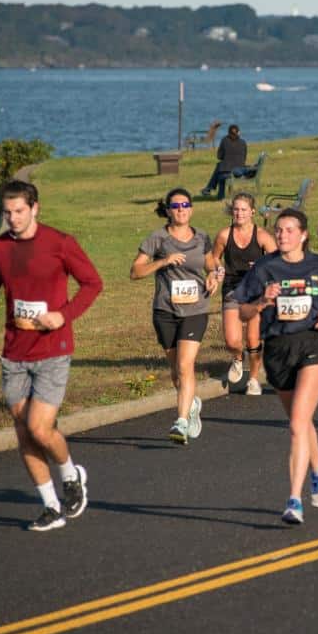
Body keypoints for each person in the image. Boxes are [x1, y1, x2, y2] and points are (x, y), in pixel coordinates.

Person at [0, 180, 103, 531]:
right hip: (15, 351)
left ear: (35, 208)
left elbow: (93, 283)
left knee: (39, 427)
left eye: (19, 211)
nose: (13, 218)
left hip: (53, 348)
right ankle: (50, 506)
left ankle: (70, 476)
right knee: (24, 431)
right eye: (7, 212)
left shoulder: (59, 243)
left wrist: (63, 314)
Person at [234, 209, 318, 525]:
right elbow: (243, 312)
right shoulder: (264, 268)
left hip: (315, 345)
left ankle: (293, 501)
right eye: (279, 230)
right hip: (278, 350)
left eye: (289, 230)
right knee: (301, 422)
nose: (282, 235)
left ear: (303, 235)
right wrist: (262, 302)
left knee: (297, 423)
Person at [131, 188, 218, 444]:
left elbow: (211, 262)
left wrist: (214, 274)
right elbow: (135, 271)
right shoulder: (157, 239)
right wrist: (163, 262)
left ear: (191, 208)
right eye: (176, 206)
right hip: (165, 311)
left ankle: (180, 421)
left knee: (184, 365)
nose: (181, 210)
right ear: (168, 211)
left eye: (185, 205)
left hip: (196, 309)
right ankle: (191, 404)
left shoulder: (202, 236)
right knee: (175, 370)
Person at [211, 192, 277, 395]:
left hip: (256, 292)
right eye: (236, 209)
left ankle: (254, 379)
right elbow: (214, 258)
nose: (239, 213)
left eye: (243, 210)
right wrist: (217, 269)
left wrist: (260, 267)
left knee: (253, 339)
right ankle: (238, 358)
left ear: (252, 212)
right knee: (232, 341)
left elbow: (278, 263)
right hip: (232, 288)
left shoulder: (262, 236)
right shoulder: (224, 235)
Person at [200, 123, 247, 200]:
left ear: (228, 133)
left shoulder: (225, 140)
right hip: (240, 170)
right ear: (239, 132)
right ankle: (210, 189)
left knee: (220, 170)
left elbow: (219, 156)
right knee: (220, 168)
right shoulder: (243, 142)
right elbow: (244, 157)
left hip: (228, 171)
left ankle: (212, 190)